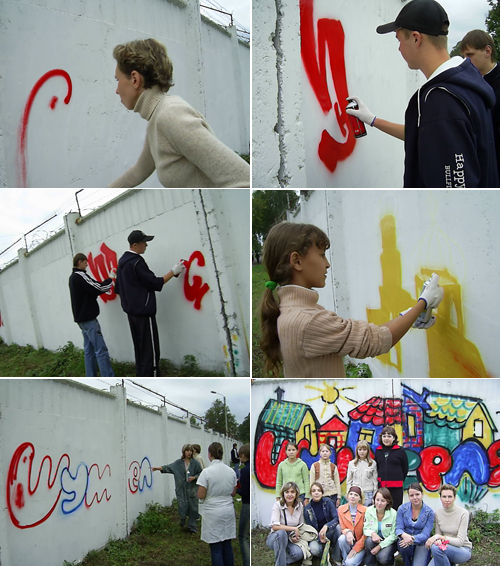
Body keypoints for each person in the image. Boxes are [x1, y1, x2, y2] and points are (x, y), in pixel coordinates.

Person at [259, 222, 444, 378]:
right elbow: (376, 341)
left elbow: (371, 334)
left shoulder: (291, 310)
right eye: (322, 255)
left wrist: (410, 315)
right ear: (297, 261)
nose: (327, 264)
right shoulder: (308, 320)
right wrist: (424, 301)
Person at [346, 0, 499, 187]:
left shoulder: (442, 101)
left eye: (399, 40)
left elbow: (453, 192)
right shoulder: (467, 80)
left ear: (417, 38)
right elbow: (422, 134)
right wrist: (372, 119)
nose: (399, 48)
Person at [110, 38, 250, 188]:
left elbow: (243, 179)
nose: (117, 90)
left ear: (135, 79)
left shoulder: (171, 116)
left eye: (117, 80)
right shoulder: (156, 120)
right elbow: (138, 172)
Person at [114, 229, 185, 377]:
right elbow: (155, 283)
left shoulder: (122, 262)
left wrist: (130, 303)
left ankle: (141, 374)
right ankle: (152, 376)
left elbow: (119, 289)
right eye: (144, 242)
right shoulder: (137, 262)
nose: (146, 245)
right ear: (135, 245)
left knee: (139, 347)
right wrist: (173, 271)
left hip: (131, 313)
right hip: (143, 313)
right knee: (150, 349)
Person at [69, 253, 116, 377]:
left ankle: (91, 376)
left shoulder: (73, 277)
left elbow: (88, 292)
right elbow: (98, 288)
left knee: (89, 351)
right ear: (80, 262)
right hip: (89, 320)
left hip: (82, 320)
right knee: (101, 350)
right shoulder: (80, 276)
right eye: (85, 262)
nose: (87, 265)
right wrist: (110, 278)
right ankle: (108, 376)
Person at [460, 29, 500, 177]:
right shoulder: (469, 83)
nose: (466, 60)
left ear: (487, 51)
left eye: (470, 55)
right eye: (464, 56)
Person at [197, 442, 237, 566]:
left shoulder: (206, 472)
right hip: (228, 510)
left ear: (209, 455)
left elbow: (201, 495)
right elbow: (233, 492)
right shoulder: (230, 471)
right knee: (227, 545)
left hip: (212, 512)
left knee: (215, 548)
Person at [151, 443, 202, 534]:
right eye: (187, 451)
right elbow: (168, 467)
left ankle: (192, 527)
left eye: (190, 451)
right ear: (184, 452)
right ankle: (183, 519)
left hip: (192, 490)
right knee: (182, 505)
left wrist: (194, 477)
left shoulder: (195, 463)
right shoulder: (178, 463)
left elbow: (201, 473)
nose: (189, 453)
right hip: (181, 489)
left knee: (193, 507)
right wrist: (157, 468)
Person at [425, 484, 472, 566]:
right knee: (436, 547)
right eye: (444, 496)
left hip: (462, 550)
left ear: (454, 498)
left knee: (436, 548)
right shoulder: (438, 513)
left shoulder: (463, 513)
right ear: (440, 498)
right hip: (444, 548)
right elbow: (438, 535)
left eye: (450, 497)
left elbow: (460, 542)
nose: (447, 500)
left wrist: (439, 537)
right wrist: (438, 539)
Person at [266, 482, 304, 566]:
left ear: (296, 494)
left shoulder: (299, 505)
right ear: (283, 493)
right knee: (281, 533)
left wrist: (296, 536)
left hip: (290, 538)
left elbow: (301, 525)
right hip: (276, 537)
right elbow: (275, 526)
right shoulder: (277, 505)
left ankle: (281, 556)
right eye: (287, 492)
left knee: (299, 554)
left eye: (292, 492)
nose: (289, 494)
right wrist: (294, 529)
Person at [396, 483, 435, 566]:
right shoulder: (402, 509)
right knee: (403, 546)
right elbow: (398, 528)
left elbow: (426, 534)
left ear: (422, 494)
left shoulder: (430, 512)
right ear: (409, 497)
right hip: (405, 540)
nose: (415, 498)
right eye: (411, 495)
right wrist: (404, 535)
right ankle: (407, 563)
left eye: (417, 494)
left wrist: (411, 539)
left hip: (421, 543)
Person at [375, 426, 408, 510]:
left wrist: (398, 479)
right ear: (381, 437)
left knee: (396, 509)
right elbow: (377, 467)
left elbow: (405, 468)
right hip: (382, 487)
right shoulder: (378, 451)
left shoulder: (400, 451)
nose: (386, 439)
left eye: (389, 436)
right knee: (383, 509)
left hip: (396, 487)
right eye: (384, 436)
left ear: (394, 438)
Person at [303, 482, 340, 559]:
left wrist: (326, 526)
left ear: (322, 493)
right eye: (314, 491)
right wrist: (319, 537)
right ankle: (324, 553)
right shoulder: (307, 509)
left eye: (319, 491)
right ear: (310, 493)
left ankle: (336, 556)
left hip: (329, 532)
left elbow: (336, 518)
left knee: (338, 528)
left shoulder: (328, 502)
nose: (316, 493)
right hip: (316, 536)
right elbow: (309, 528)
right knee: (314, 549)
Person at [363, 488, 398, 566]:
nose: (379, 503)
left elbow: (394, 535)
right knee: (368, 541)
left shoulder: (393, 513)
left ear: (387, 502)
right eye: (377, 500)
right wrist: (372, 533)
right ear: (374, 500)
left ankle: (390, 562)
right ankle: (371, 563)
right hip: (374, 540)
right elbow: (365, 529)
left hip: (389, 542)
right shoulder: (369, 510)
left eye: (383, 501)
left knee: (382, 558)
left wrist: (379, 546)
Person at [337, 486, 367, 566]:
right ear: (347, 496)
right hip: (349, 541)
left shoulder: (366, 510)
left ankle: (356, 560)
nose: (353, 496)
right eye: (351, 494)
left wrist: (356, 548)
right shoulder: (341, 509)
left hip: (361, 543)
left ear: (360, 498)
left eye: (356, 495)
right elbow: (343, 528)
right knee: (341, 539)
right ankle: (345, 560)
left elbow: (366, 533)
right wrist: (348, 532)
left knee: (350, 563)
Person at [346, 440, 378, 507]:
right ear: (357, 451)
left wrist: (375, 496)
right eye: (360, 449)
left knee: (367, 514)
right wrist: (349, 494)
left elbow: (375, 481)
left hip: (368, 493)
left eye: (364, 449)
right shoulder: (352, 463)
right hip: (355, 493)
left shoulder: (373, 463)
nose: (362, 452)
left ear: (368, 451)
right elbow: (349, 481)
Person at [237, 444, 250, 566]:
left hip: (247, 505)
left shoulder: (245, 470)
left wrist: (236, 488)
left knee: (243, 536)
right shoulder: (253, 467)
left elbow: (245, 492)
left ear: (243, 455)